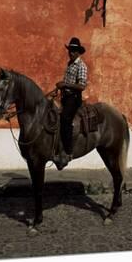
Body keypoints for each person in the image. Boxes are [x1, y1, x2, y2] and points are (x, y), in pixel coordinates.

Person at [53, 37, 88, 170]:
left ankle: (67, 152)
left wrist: (65, 84)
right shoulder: (70, 64)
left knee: (66, 119)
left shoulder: (81, 66)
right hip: (65, 96)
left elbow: (82, 86)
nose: (71, 53)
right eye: (70, 50)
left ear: (78, 52)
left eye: (73, 51)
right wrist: (60, 87)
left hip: (74, 98)